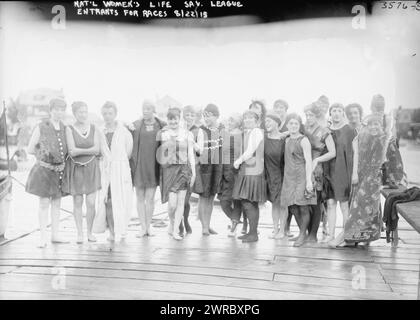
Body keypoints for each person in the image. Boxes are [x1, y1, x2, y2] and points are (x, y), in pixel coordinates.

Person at [329, 112, 391, 247]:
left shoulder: (382, 138)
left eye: (377, 124)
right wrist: (355, 174)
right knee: (361, 209)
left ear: (381, 126)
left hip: (372, 179)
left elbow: (389, 126)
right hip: (362, 176)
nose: (373, 127)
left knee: (360, 209)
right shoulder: (365, 137)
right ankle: (356, 238)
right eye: (371, 125)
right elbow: (358, 153)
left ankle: (343, 237)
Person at [26, 98, 69, 248]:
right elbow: (30, 149)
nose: (59, 112)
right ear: (50, 110)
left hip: (59, 172)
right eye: (56, 109)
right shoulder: (41, 126)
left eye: (62, 109)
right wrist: (46, 154)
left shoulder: (65, 127)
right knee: (44, 203)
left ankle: (55, 235)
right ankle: (42, 237)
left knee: (57, 203)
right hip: (44, 170)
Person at [94, 101, 133, 242]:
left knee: (121, 200)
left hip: (120, 169)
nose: (107, 116)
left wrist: (119, 163)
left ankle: (121, 229)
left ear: (115, 114)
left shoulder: (124, 131)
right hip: (105, 169)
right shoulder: (100, 131)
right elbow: (99, 150)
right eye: (104, 113)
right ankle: (111, 232)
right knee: (108, 201)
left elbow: (128, 151)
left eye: (110, 113)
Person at [63, 101, 101, 244]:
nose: (83, 115)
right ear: (74, 113)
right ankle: (80, 233)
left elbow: (97, 150)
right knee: (78, 201)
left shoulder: (94, 128)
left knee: (91, 202)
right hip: (76, 168)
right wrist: (87, 150)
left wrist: (81, 151)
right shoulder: (69, 129)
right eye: (80, 112)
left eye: (85, 111)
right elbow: (72, 151)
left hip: (91, 168)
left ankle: (90, 232)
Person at [158, 107, 196, 240]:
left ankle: (175, 231)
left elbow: (191, 154)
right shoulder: (164, 134)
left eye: (175, 119)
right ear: (167, 120)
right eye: (170, 119)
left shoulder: (187, 134)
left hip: (184, 170)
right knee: (172, 204)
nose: (173, 122)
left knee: (181, 202)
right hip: (170, 170)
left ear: (179, 119)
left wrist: (194, 173)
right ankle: (172, 221)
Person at [322, 103, 357, 244]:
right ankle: (330, 235)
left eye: (339, 111)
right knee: (330, 203)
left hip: (343, 171)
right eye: (333, 111)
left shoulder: (349, 130)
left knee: (344, 204)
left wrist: (354, 173)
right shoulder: (327, 130)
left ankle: (346, 236)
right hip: (328, 170)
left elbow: (354, 153)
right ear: (330, 113)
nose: (336, 113)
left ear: (343, 113)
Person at [130, 100, 166, 238]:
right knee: (139, 197)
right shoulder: (136, 125)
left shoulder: (161, 124)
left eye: (148, 109)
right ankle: (142, 227)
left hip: (153, 165)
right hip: (139, 165)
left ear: (153, 110)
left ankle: (148, 226)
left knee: (150, 198)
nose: (145, 111)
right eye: (143, 108)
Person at [280, 113, 316, 247]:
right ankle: (303, 233)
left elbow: (308, 161)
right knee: (293, 207)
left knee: (303, 207)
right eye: (291, 123)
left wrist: (308, 181)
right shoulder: (287, 139)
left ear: (300, 125)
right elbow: (278, 134)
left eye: (296, 123)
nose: (293, 126)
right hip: (289, 177)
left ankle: (302, 235)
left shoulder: (304, 140)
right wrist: (285, 133)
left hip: (302, 176)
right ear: (287, 125)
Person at [304, 103, 336, 243]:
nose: (308, 117)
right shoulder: (303, 129)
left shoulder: (324, 131)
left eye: (311, 115)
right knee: (305, 202)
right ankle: (306, 232)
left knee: (315, 202)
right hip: (303, 166)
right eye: (307, 115)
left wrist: (318, 159)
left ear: (317, 116)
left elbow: (332, 152)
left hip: (317, 169)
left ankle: (313, 234)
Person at [233, 110, 266, 243]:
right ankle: (251, 232)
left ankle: (253, 234)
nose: (247, 120)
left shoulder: (256, 131)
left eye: (251, 118)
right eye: (245, 118)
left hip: (253, 169)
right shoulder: (249, 133)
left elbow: (250, 150)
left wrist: (238, 161)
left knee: (249, 201)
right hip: (249, 168)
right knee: (248, 202)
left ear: (257, 121)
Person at [196, 103, 224, 236]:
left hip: (217, 166)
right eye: (204, 116)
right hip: (205, 166)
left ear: (216, 116)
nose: (206, 118)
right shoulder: (202, 130)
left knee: (212, 197)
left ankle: (208, 224)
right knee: (203, 197)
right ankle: (204, 227)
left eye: (209, 116)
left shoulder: (222, 129)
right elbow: (200, 150)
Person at [371, 95, 405, 189]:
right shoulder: (370, 118)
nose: (378, 108)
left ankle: (391, 181)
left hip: (386, 146)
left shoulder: (387, 118)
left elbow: (389, 135)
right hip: (375, 147)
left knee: (391, 169)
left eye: (381, 105)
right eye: (376, 105)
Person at [218, 113, 243, 237]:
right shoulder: (224, 134)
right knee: (224, 201)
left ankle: (234, 225)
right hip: (223, 171)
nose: (229, 122)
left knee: (234, 200)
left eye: (232, 120)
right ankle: (235, 220)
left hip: (235, 171)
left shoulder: (241, 135)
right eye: (228, 120)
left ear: (238, 122)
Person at [179, 105, 202, 235]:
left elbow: (201, 151)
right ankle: (178, 223)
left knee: (186, 199)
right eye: (187, 115)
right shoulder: (178, 129)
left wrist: (192, 141)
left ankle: (185, 221)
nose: (189, 118)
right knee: (177, 199)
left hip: (191, 167)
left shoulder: (198, 131)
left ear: (195, 117)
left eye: (192, 115)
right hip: (178, 168)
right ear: (183, 116)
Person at [264, 112, 287, 239]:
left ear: (277, 123)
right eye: (265, 121)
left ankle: (282, 230)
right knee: (274, 203)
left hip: (281, 174)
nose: (267, 123)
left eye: (269, 121)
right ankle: (275, 229)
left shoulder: (283, 139)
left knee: (282, 204)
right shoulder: (264, 137)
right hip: (268, 175)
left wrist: (286, 133)